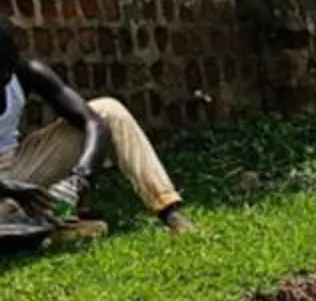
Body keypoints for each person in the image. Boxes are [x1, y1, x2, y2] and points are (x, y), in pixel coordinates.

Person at [0, 21, 190, 239]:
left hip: (18, 166)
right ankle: (50, 229)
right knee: (7, 212)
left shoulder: (27, 73)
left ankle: (168, 210)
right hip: (7, 188)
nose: (5, 76)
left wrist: (80, 178)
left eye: (7, 67)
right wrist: (12, 190)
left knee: (109, 110)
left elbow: (93, 123)